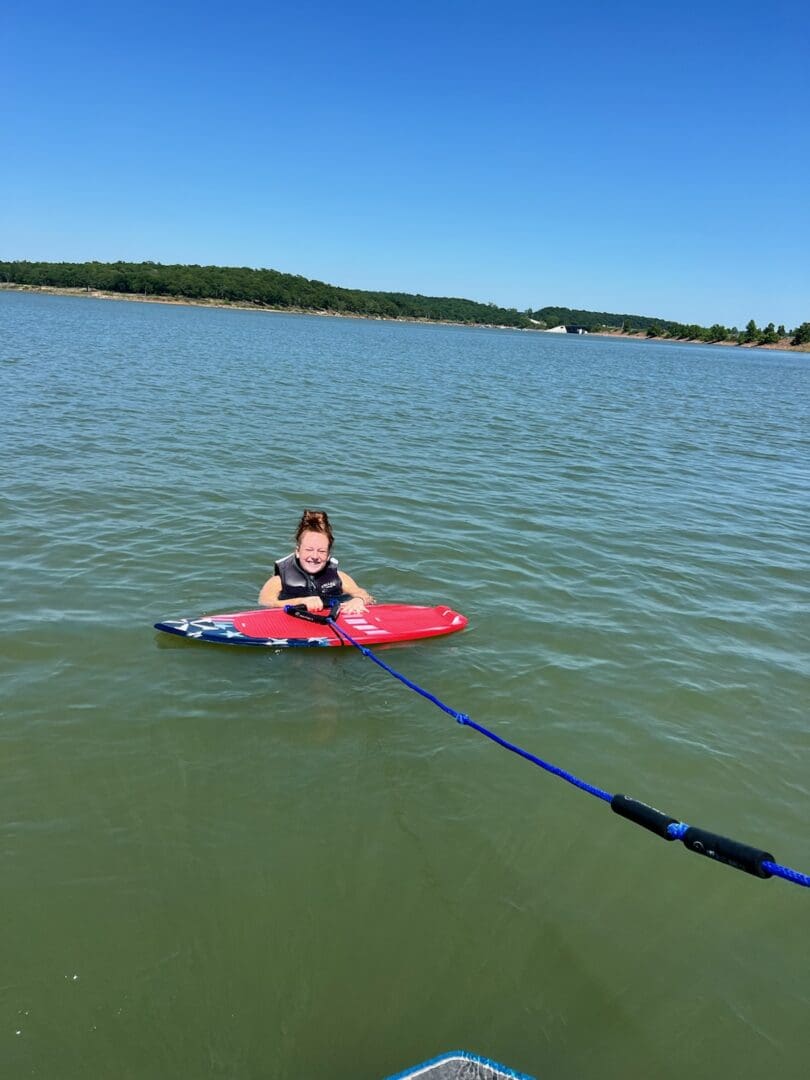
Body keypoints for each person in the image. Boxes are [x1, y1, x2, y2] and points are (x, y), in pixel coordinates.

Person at [258, 509, 375, 614]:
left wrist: (358, 600)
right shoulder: (279, 579)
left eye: (321, 551)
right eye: (309, 550)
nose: (314, 556)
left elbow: (364, 595)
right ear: (297, 552)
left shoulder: (339, 577)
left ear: (328, 555)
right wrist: (300, 602)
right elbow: (265, 601)